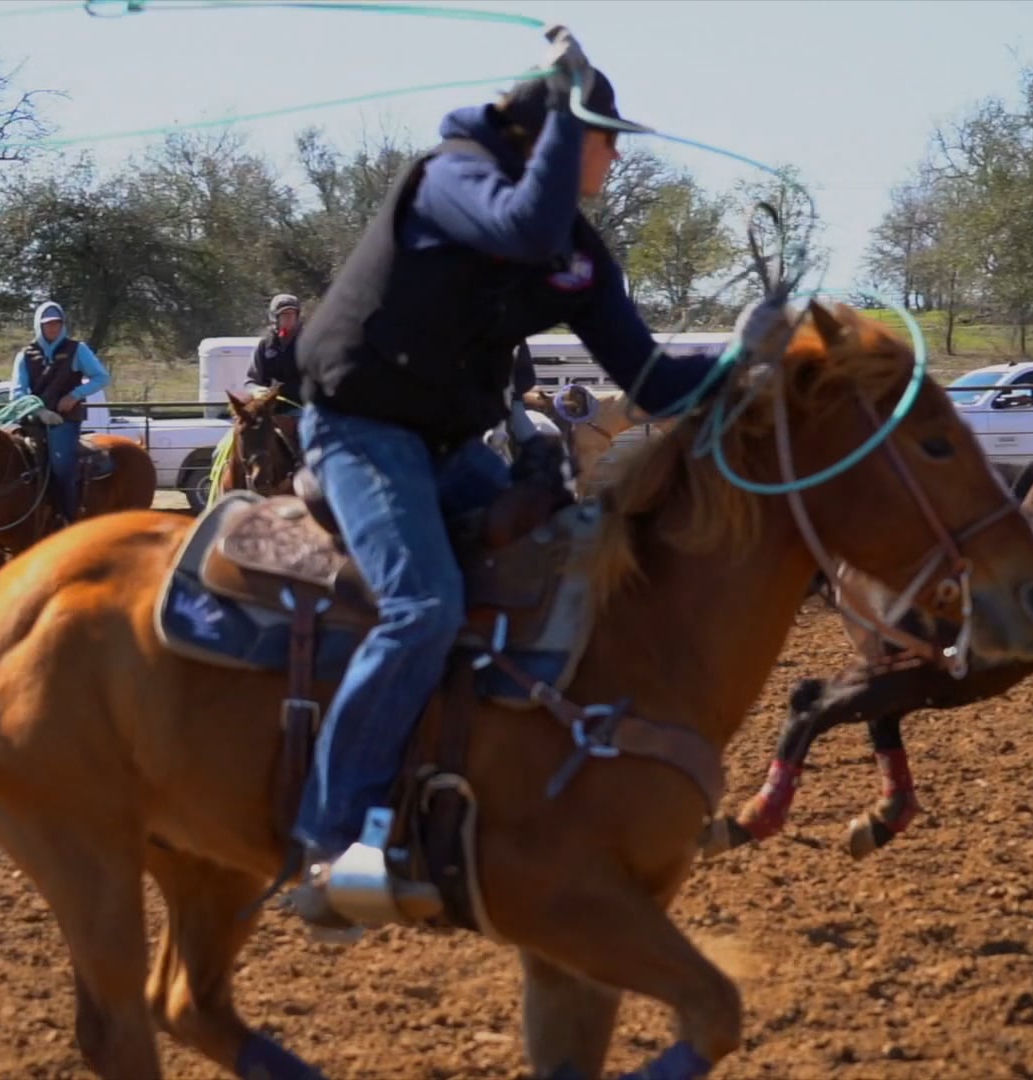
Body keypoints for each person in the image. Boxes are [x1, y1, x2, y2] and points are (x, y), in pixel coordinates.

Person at [286, 25, 780, 927]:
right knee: (424, 606)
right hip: (361, 429)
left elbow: (652, 381)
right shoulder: (452, 179)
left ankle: (514, 784)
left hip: (440, 445)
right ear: (555, 133)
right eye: (605, 135)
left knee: (571, 555)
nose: (618, 155)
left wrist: (741, 359)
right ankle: (327, 844)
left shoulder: (577, 260)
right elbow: (525, 222)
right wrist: (568, 102)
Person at [14, 301, 110, 525]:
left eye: (57, 323)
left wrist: (75, 395)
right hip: (33, 420)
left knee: (60, 464)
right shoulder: (25, 355)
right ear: (39, 325)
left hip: (65, 421)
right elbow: (17, 391)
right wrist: (38, 410)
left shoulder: (77, 350)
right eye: (48, 324)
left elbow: (101, 377)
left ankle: (68, 518)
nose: (53, 328)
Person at [246, 293, 305, 413]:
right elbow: (251, 381)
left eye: (292, 314)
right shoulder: (264, 345)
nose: (289, 318)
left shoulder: (309, 343)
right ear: (274, 317)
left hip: (301, 408)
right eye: (284, 314)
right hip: (268, 409)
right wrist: (256, 390)